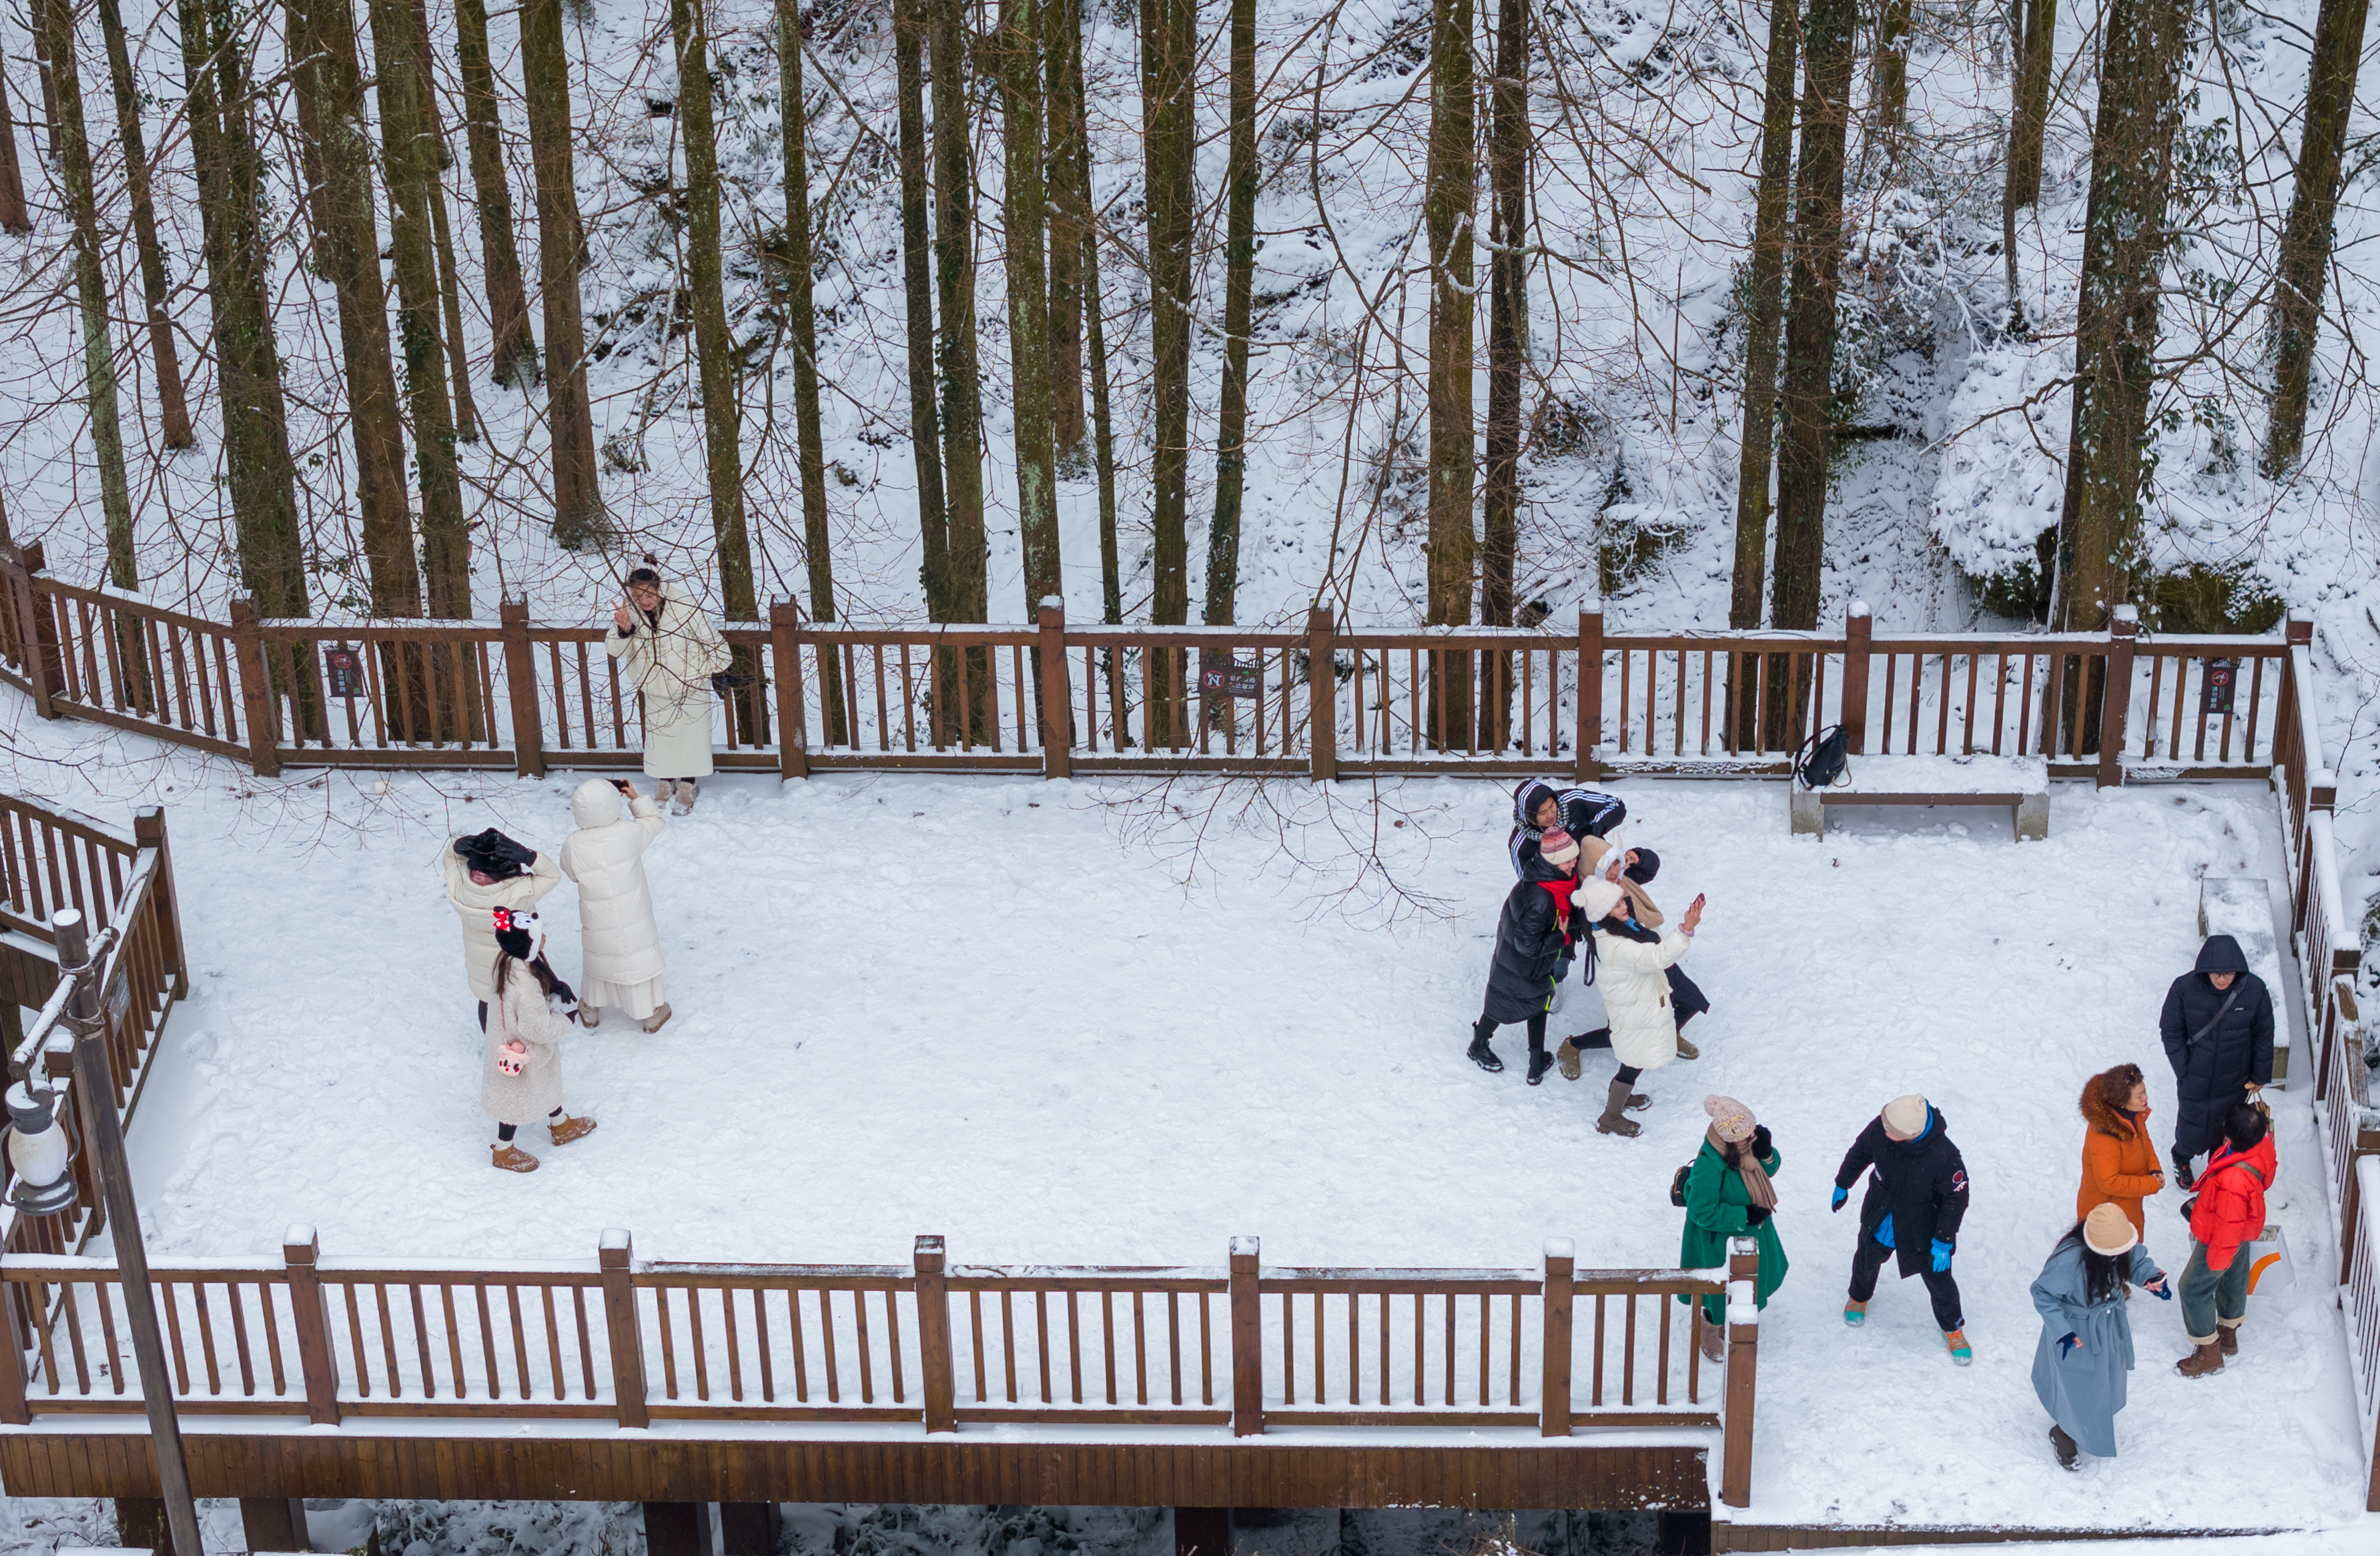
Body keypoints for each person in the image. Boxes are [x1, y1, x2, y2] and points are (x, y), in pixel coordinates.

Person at [1832, 1094, 1974, 1365]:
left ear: (1911, 1134)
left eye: (1891, 1131)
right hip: (1884, 1212)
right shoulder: (1887, 1125)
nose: (1883, 1131)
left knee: (1940, 1282)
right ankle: (1859, 1297)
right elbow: (1861, 1150)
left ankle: (1953, 1328)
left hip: (1923, 1225)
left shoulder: (1945, 1157)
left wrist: (1943, 1241)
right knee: (1867, 1257)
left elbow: (1956, 1199)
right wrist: (1843, 1182)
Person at [2030, 1204, 2170, 1467]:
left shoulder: (2119, 1242)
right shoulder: (2069, 1260)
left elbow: (2136, 1260)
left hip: (2107, 1327)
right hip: (2077, 1332)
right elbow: (2043, 1294)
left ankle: (2089, 1418)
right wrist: (2063, 1332)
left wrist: (2151, 1277)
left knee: (2105, 1378)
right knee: (2077, 1386)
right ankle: (2063, 1432)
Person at [1555, 847, 1707, 1078]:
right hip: (1631, 979)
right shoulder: (1596, 910)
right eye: (1608, 868)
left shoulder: (1621, 884)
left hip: (1655, 963)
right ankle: (1574, 1045)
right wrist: (1684, 929)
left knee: (1691, 1000)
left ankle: (1668, 1032)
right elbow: (1639, 940)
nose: (1616, 871)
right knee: (1619, 1033)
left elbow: (1650, 868)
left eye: (1617, 864)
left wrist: (1638, 857)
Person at [1583, 864, 1702, 1136]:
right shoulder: (1619, 946)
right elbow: (1657, 957)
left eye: (1622, 900)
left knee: (1633, 1061)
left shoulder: (1616, 930)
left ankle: (1620, 1101)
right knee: (1632, 1062)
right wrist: (1686, 929)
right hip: (1636, 1013)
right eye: (1616, 906)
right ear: (1603, 914)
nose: (1624, 906)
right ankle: (1610, 1117)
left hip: (1638, 1008)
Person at [608, 560, 731, 814]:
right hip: (654, 685)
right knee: (661, 738)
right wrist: (625, 630)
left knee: (690, 737)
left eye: (649, 593)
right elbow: (614, 650)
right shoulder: (628, 612)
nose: (644, 600)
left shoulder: (684, 606)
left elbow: (712, 641)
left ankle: (688, 783)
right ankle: (664, 781)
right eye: (637, 594)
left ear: (660, 588)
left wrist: (709, 671)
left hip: (690, 685)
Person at [480, 908, 597, 1173]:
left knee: (546, 1084)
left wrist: (555, 987)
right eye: (538, 936)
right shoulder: (523, 986)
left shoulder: (508, 961)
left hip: (515, 1042)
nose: (544, 938)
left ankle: (560, 1124)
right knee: (514, 1102)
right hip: (522, 1052)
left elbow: (538, 972)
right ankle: (503, 1150)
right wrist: (567, 1020)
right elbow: (539, 1028)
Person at [2159, 933, 2274, 1189]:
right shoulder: (2183, 988)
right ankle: (2182, 1157)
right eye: (2215, 974)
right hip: (2196, 1076)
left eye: (2228, 974)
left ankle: (2216, 1167)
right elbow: (2170, 1029)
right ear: (2204, 970)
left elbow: (2263, 1034)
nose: (2222, 979)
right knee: (2191, 1126)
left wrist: (2260, 1074)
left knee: (2225, 1130)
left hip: (2236, 1077)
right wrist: (2184, 1067)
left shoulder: (2254, 990)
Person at [1469, 829, 1583, 1083]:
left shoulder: (1551, 883)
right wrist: (1561, 937)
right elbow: (1528, 944)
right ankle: (1478, 1046)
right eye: (1568, 860)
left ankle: (1536, 1059)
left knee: (1537, 1004)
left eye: (1575, 857)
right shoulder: (1542, 898)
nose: (1574, 863)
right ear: (1552, 862)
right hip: (1521, 965)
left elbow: (1561, 917)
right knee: (1501, 1005)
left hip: (1531, 965)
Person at [559, 777, 672, 1033]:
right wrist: (634, 797)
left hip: (597, 919)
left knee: (600, 959)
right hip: (634, 916)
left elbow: (571, 872)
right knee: (635, 959)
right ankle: (650, 1013)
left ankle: (589, 1010)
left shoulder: (573, 845)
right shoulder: (629, 834)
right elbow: (654, 822)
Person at [1679, 1094, 1786, 1361]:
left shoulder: (1744, 1145)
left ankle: (1737, 1317)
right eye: (1746, 1137)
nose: (1752, 1139)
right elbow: (1702, 1212)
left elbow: (1765, 1172)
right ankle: (1710, 1327)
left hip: (1752, 1237)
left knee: (1749, 1283)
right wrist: (1745, 1215)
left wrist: (1767, 1155)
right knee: (1718, 1292)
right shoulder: (1709, 1166)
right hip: (1719, 1243)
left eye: (1753, 1133)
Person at [2176, 1100, 2277, 1377]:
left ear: (2229, 1136)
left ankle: (2208, 1352)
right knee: (2234, 1277)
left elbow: (2227, 1227)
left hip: (2222, 1232)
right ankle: (2229, 1333)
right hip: (2243, 1227)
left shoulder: (2234, 1180)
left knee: (2192, 1288)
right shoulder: (2262, 1146)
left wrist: (2217, 1259)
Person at [440, 827, 562, 1030]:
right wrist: (530, 857)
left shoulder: (459, 885)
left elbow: (451, 857)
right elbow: (552, 876)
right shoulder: (520, 893)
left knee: (487, 1001)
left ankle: (492, 1042)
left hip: (481, 970)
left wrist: (464, 845)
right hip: (514, 967)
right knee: (519, 1005)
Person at [2077, 1063, 2164, 1238]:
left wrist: (2155, 1169)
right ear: (2122, 1101)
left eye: (2145, 1091)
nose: (2145, 1098)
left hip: (2127, 1208)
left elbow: (2144, 1143)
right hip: (2105, 1216)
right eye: (2139, 1095)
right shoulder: (2104, 1137)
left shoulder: (2133, 1116)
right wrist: (2151, 1184)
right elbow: (2109, 1182)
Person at [1508, 779, 1625, 878]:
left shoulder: (1572, 800)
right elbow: (1527, 883)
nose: (1551, 815)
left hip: (1600, 868)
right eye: (1543, 813)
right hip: (1563, 885)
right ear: (1530, 817)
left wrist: (1600, 824)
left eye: (1552, 806)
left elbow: (1615, 804)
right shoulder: (1520, 845)